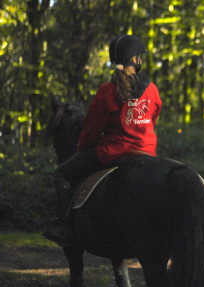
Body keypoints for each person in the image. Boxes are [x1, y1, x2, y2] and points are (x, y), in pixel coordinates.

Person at [43, 34, 162, 247]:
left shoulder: (107, 91)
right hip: (146, 153)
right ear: (136, 60)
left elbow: (91, 130)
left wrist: (83, 149)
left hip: (113, 153)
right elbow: (153, 117)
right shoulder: (152, 89)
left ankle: (65, 228)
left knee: (61, 173)